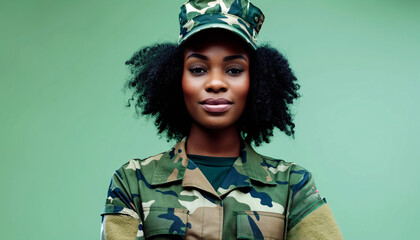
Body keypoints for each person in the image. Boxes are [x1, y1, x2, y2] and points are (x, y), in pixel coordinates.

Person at [100, 1, 342, 239]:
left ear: (256, 82)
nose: (215, 83)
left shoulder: (293, 186)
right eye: (198, 69)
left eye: (234, 70)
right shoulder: (133, 182)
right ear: (176, 79)